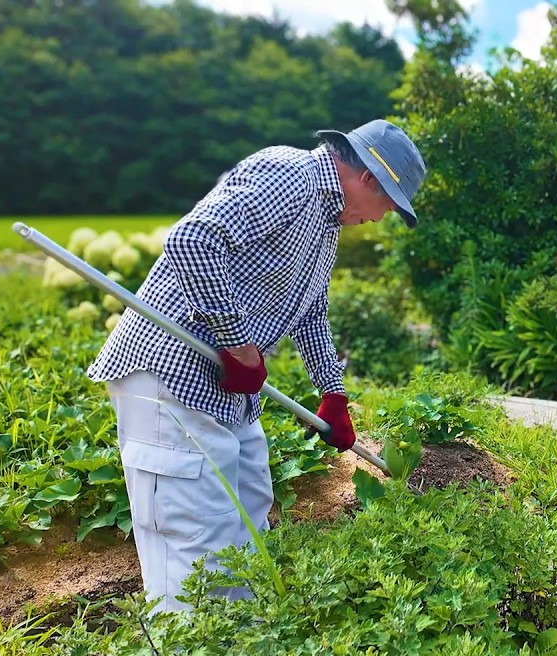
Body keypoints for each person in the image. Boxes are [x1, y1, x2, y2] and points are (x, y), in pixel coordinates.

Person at [87, 119, 426, 613]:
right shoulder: (289, 176)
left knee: (246, 518)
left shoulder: (326, 225)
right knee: (196, 537)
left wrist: (332, 392)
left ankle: (240, 646)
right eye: (389, 206)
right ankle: (185, 655)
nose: (380, 219)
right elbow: (192, 240)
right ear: (368, 178)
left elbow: (310, 312)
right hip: (172, 374)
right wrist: (238, 343)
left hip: (227, 389)